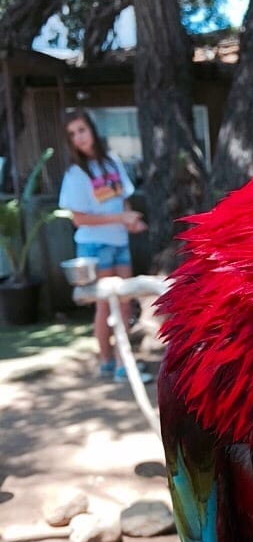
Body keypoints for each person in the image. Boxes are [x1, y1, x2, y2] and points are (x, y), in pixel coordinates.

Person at [59, 109, 152, 382]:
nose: (79, 137)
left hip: (120, 242)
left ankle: (121, 364)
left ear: (92, 129)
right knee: (104, 305)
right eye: (72, 134)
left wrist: (130, 220)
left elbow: (123, 199)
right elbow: (78, 219)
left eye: (82, 130)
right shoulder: (75, 173)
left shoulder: (112, 161)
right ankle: (108, 362)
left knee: (125, 304)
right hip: (93, 248)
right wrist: (120, 218)